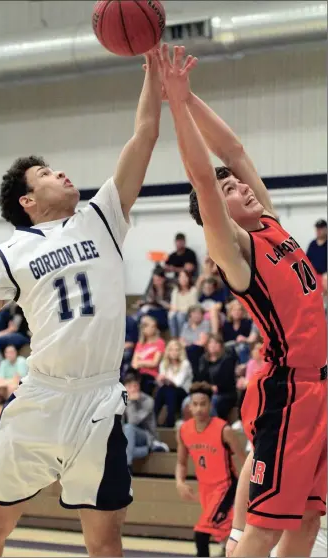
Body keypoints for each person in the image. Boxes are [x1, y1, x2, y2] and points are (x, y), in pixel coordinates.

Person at [0, 49, 162, 558]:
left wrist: (154, 77)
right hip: (42, 401)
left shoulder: (102, 217)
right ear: (28, 201)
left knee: (106, 539)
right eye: (47, 173)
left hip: (99, 400)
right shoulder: (10, 252)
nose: (62, 174)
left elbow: (143, 137)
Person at [157, 43, 327, 558]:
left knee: (308, 520)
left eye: (240, 185)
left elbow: (231, 153)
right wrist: (174, 105)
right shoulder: (237, 253)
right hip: (289, 393)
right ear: (218, 212)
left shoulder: (271, 223)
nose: (243, 186)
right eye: (230, 190)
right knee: (266, 528)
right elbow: (206, 173)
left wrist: (189, 98)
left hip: (321, 389)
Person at [176, 383, 246, 557]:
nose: (199, 408)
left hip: (226, 488)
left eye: (203, 404)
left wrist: (250, 486)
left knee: (201, 533)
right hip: (206, 490)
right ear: (189, 406)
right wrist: (179, 482)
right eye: (195, 404)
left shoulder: (224, 429)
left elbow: (244, 459)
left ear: (211, 405)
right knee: (226, 533)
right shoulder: (184, 430)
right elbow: (181, 462)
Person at [122, 371, 167, 472]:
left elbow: (133, 421)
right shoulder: (121, 400)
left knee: (129, 428)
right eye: (129, 386)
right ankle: (149, 449)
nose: (133, 389)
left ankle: (127, 466)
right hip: (129, 440)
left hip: (146, 436)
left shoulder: (148, 401)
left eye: (135, 386)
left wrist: (131, 402)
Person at [196, 335, 238, 423]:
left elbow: (227, 381)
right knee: (188, 401)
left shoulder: (227, 359)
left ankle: (215, 427)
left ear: (221, 345)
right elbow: (200, 378)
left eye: (216, 342)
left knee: (213, 401)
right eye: (210, 343)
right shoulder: (203, 359)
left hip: (225, 393)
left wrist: (214, 387)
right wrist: (207, 387)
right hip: (207, 392)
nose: (213, 345)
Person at [155, 339, 192, 427]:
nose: (174, 352)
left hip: (183, 392)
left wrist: (165, 379)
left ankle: (170, 422)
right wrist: (159, 380)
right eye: (171, 350)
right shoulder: (163, 364)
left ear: (180, 351)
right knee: (162, 390)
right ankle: (155, 420)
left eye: (177, 350)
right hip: (168, 391)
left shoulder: (185, 364)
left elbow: (178, 383)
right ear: (168, 351)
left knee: (170, 391)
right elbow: (162, 384)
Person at [131, 315, 165, 395]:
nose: (153, 329)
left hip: (151, 374)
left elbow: (154, 363)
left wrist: (140, 362)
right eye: (150, 326)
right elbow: (134, 364)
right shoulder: (140, 344)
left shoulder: (160, 342)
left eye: (154, 326)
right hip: (138, 373)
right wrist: (145, 362)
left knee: (144, 380)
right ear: (143, 329)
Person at [168, 269, 198, 338]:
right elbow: (173, 306)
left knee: (180, 316)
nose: (183, 279)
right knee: (172, 315)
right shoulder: (175, 290)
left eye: (185, 277)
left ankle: (182, 337)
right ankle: (174, 338)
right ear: (178, 279)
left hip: (188, 313)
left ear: (189, 278)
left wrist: (179, 310)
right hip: (177, 313)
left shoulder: (193, 290)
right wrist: (177, 310)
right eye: (181, 277)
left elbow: (192, 307)